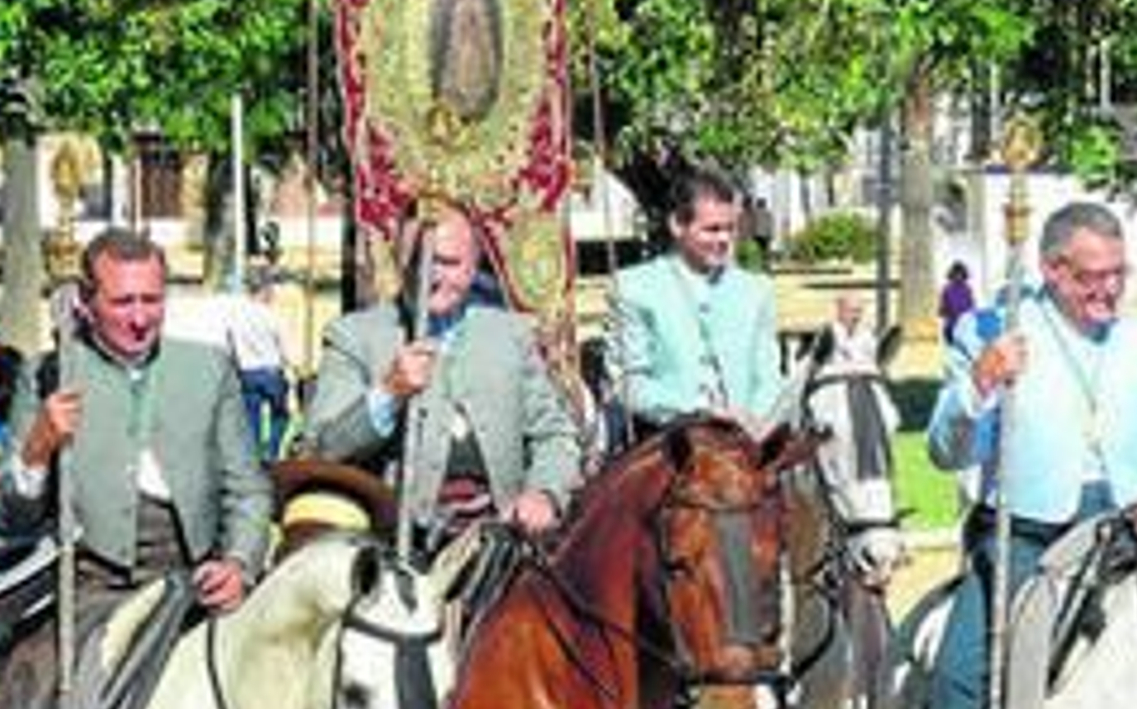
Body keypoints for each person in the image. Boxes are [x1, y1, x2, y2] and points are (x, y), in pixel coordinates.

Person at [925, 202, 1137, 709]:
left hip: (1125, 538)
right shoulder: (992, 331)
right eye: (1094, 277)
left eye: (1120, 273)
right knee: (957, 684)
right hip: (1025, 540)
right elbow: (945, 452)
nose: (1111, 290)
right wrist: (979, 383)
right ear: (1053, 269)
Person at [0, 229, 273, 700]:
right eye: (122, 303)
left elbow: (248, 489)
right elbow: (6, 517)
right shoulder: (47, 375)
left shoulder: (208, 369)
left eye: (152, 300)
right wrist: (38, 447)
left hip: (195, 581)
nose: (140, 319)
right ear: (86, 301)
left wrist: (239, 563)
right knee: (68, 702)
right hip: (92, 589)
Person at [297, 206, 581, 556]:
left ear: (473, 266)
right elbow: (324, 449)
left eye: (448, 262)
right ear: (399, 261)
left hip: (501, 540)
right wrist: (387, 393)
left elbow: (555, 434)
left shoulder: (510, 334)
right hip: (395, 545)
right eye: (419, 260)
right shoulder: (354, 337)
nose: (432, 275)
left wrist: (545, 493)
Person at [608, 165, 785, 437]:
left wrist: (755, 420)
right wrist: (697, 411)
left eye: (730, 228)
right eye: (712, 230)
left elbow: (769, 375)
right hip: (667, 445)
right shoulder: (633, 288)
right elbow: (628, 382)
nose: (724, 239)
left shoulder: (757, 290)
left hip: (749, 444)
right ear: (678, 224)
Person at [226, 270, 293, 462]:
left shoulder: (237, 316)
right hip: (271, 372)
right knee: (281, 415)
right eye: (271, 289)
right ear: (264, 290)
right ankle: (271, 452)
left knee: (251, 418)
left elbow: (231, 344)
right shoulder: (271, 316)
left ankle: (254, 455)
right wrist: (292, 368)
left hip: (247, 372)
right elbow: (284, 348)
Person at [818, 291, 878, 372]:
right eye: (852, 311)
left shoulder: (867, 335)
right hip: (835, 381)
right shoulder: (829, 334)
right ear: (840, 311)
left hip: (863, 380)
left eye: (859, 311)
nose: (856, 316)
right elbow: (816, 366)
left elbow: (875, 364)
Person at [939, 261, 976, 345]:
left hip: (965, 327)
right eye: (956, 274)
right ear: (952, 274)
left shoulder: (967, 289)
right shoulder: (947, 289)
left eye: (961, 274)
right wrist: (946, 312)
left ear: (964, 275)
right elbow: (942, 309)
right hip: (951, 326)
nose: (958, 276)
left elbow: (972, 308)